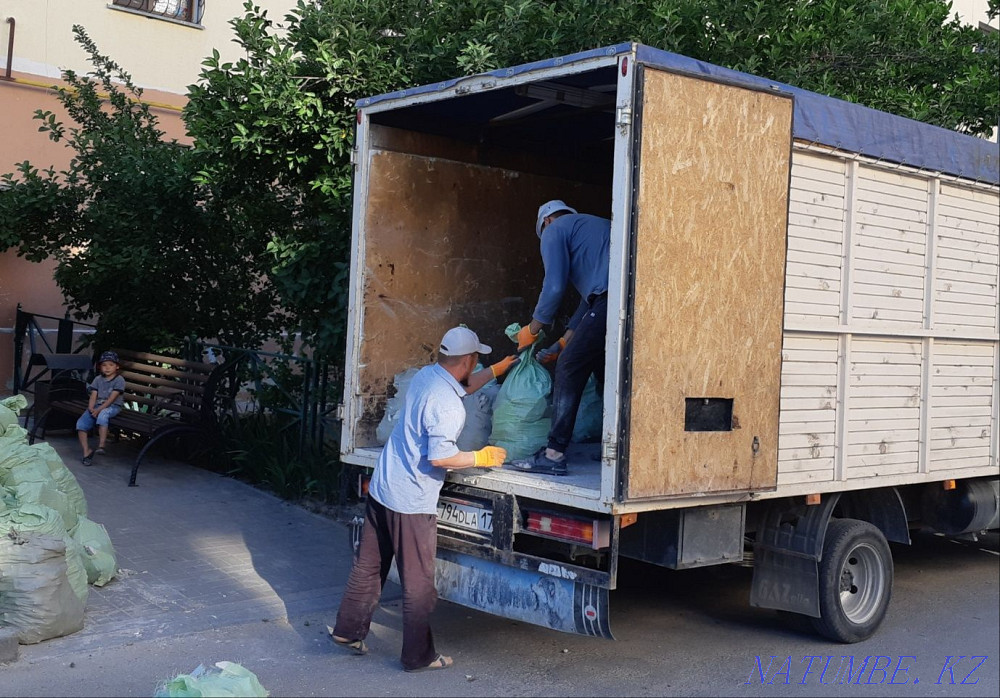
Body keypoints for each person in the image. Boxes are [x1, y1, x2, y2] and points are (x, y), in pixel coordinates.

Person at [331, 326, 516, 672]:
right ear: (467, 360)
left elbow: (461, 386)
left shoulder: (428, 376)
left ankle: (347, 631)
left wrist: (496, 369)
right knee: (418, 585)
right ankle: (418, 656)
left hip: (384, 486)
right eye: (477, 360)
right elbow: (440, 457)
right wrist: (482, 457)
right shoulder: (448, 407)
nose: (477, 365)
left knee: (370, 565)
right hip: (411, 501)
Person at [510, 199, 611, 476]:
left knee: (568, 365)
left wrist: (532, 330)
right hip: (620, 299)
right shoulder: (594, 229)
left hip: (609, 299)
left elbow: (553, 286)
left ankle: (553, 453)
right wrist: (564, 341)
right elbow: (588, 303)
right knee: (606, 370)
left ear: (546, 221)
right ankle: (620, 448)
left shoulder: (555, 230)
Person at [77, 350, 126, 466]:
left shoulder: (119, 380)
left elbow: (112, 399)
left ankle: (101, 445)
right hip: (96, 407)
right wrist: (91, 408)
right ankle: (86, 451)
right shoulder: (98, 379)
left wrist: (98, 410)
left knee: (103, 415)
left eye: (111, 365)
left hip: (113, 406)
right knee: (80, 424)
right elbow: (93, 395)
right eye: (104, 365)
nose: (107, 368)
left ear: (117, 366)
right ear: (100, 367)